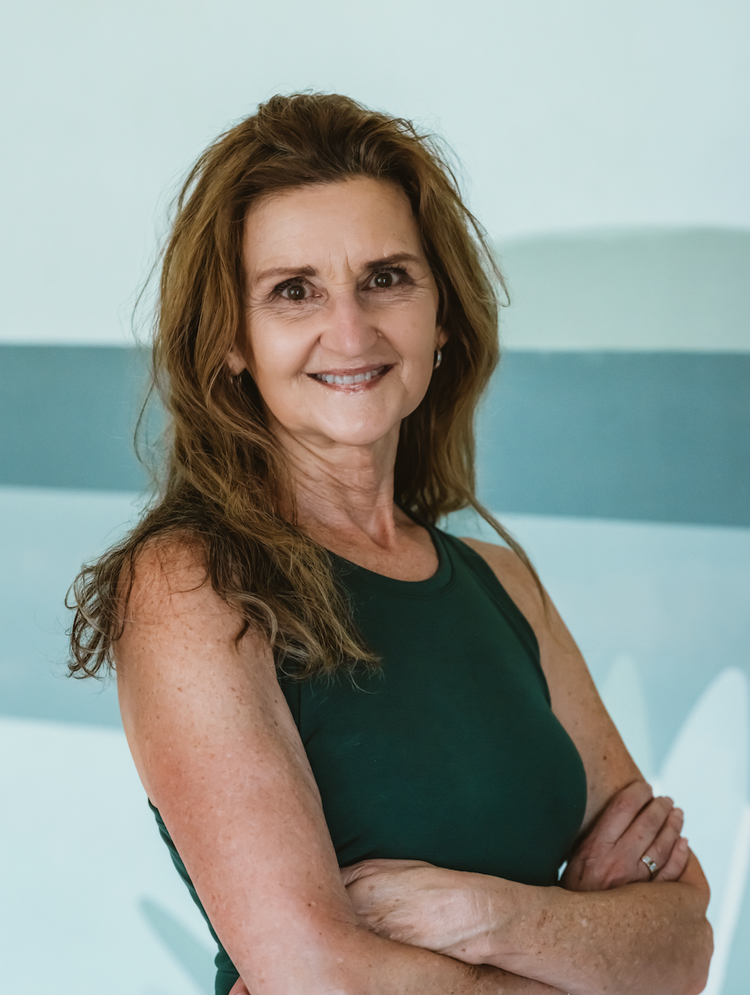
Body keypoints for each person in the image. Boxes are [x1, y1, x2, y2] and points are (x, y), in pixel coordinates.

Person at [69, 93, 712, 995]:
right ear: (232, 342)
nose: (352, 329)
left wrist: (479, 915)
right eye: (294, 291)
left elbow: (683, 945)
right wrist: (589, 952)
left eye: (386, 277)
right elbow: (322, 981)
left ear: (441, 314)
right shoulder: (190, 587)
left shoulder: (503, 584)